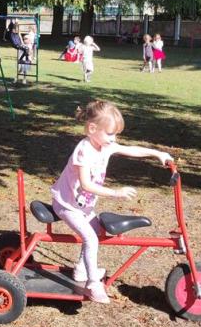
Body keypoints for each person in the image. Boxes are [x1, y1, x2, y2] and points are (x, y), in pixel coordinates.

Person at [50, 100, 172, 303]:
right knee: (91, 238)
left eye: (116, 134)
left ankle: (81, 269)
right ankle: (92, 284)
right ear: (92, 129)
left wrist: (157, 153)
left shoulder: (104, 145)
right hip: (66, 205)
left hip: (82, 206)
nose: (113, 139)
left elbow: (131, 149)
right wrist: (116, 193)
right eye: (110, 134)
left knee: (96, 231)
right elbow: (86, 185)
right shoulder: (84, 150)